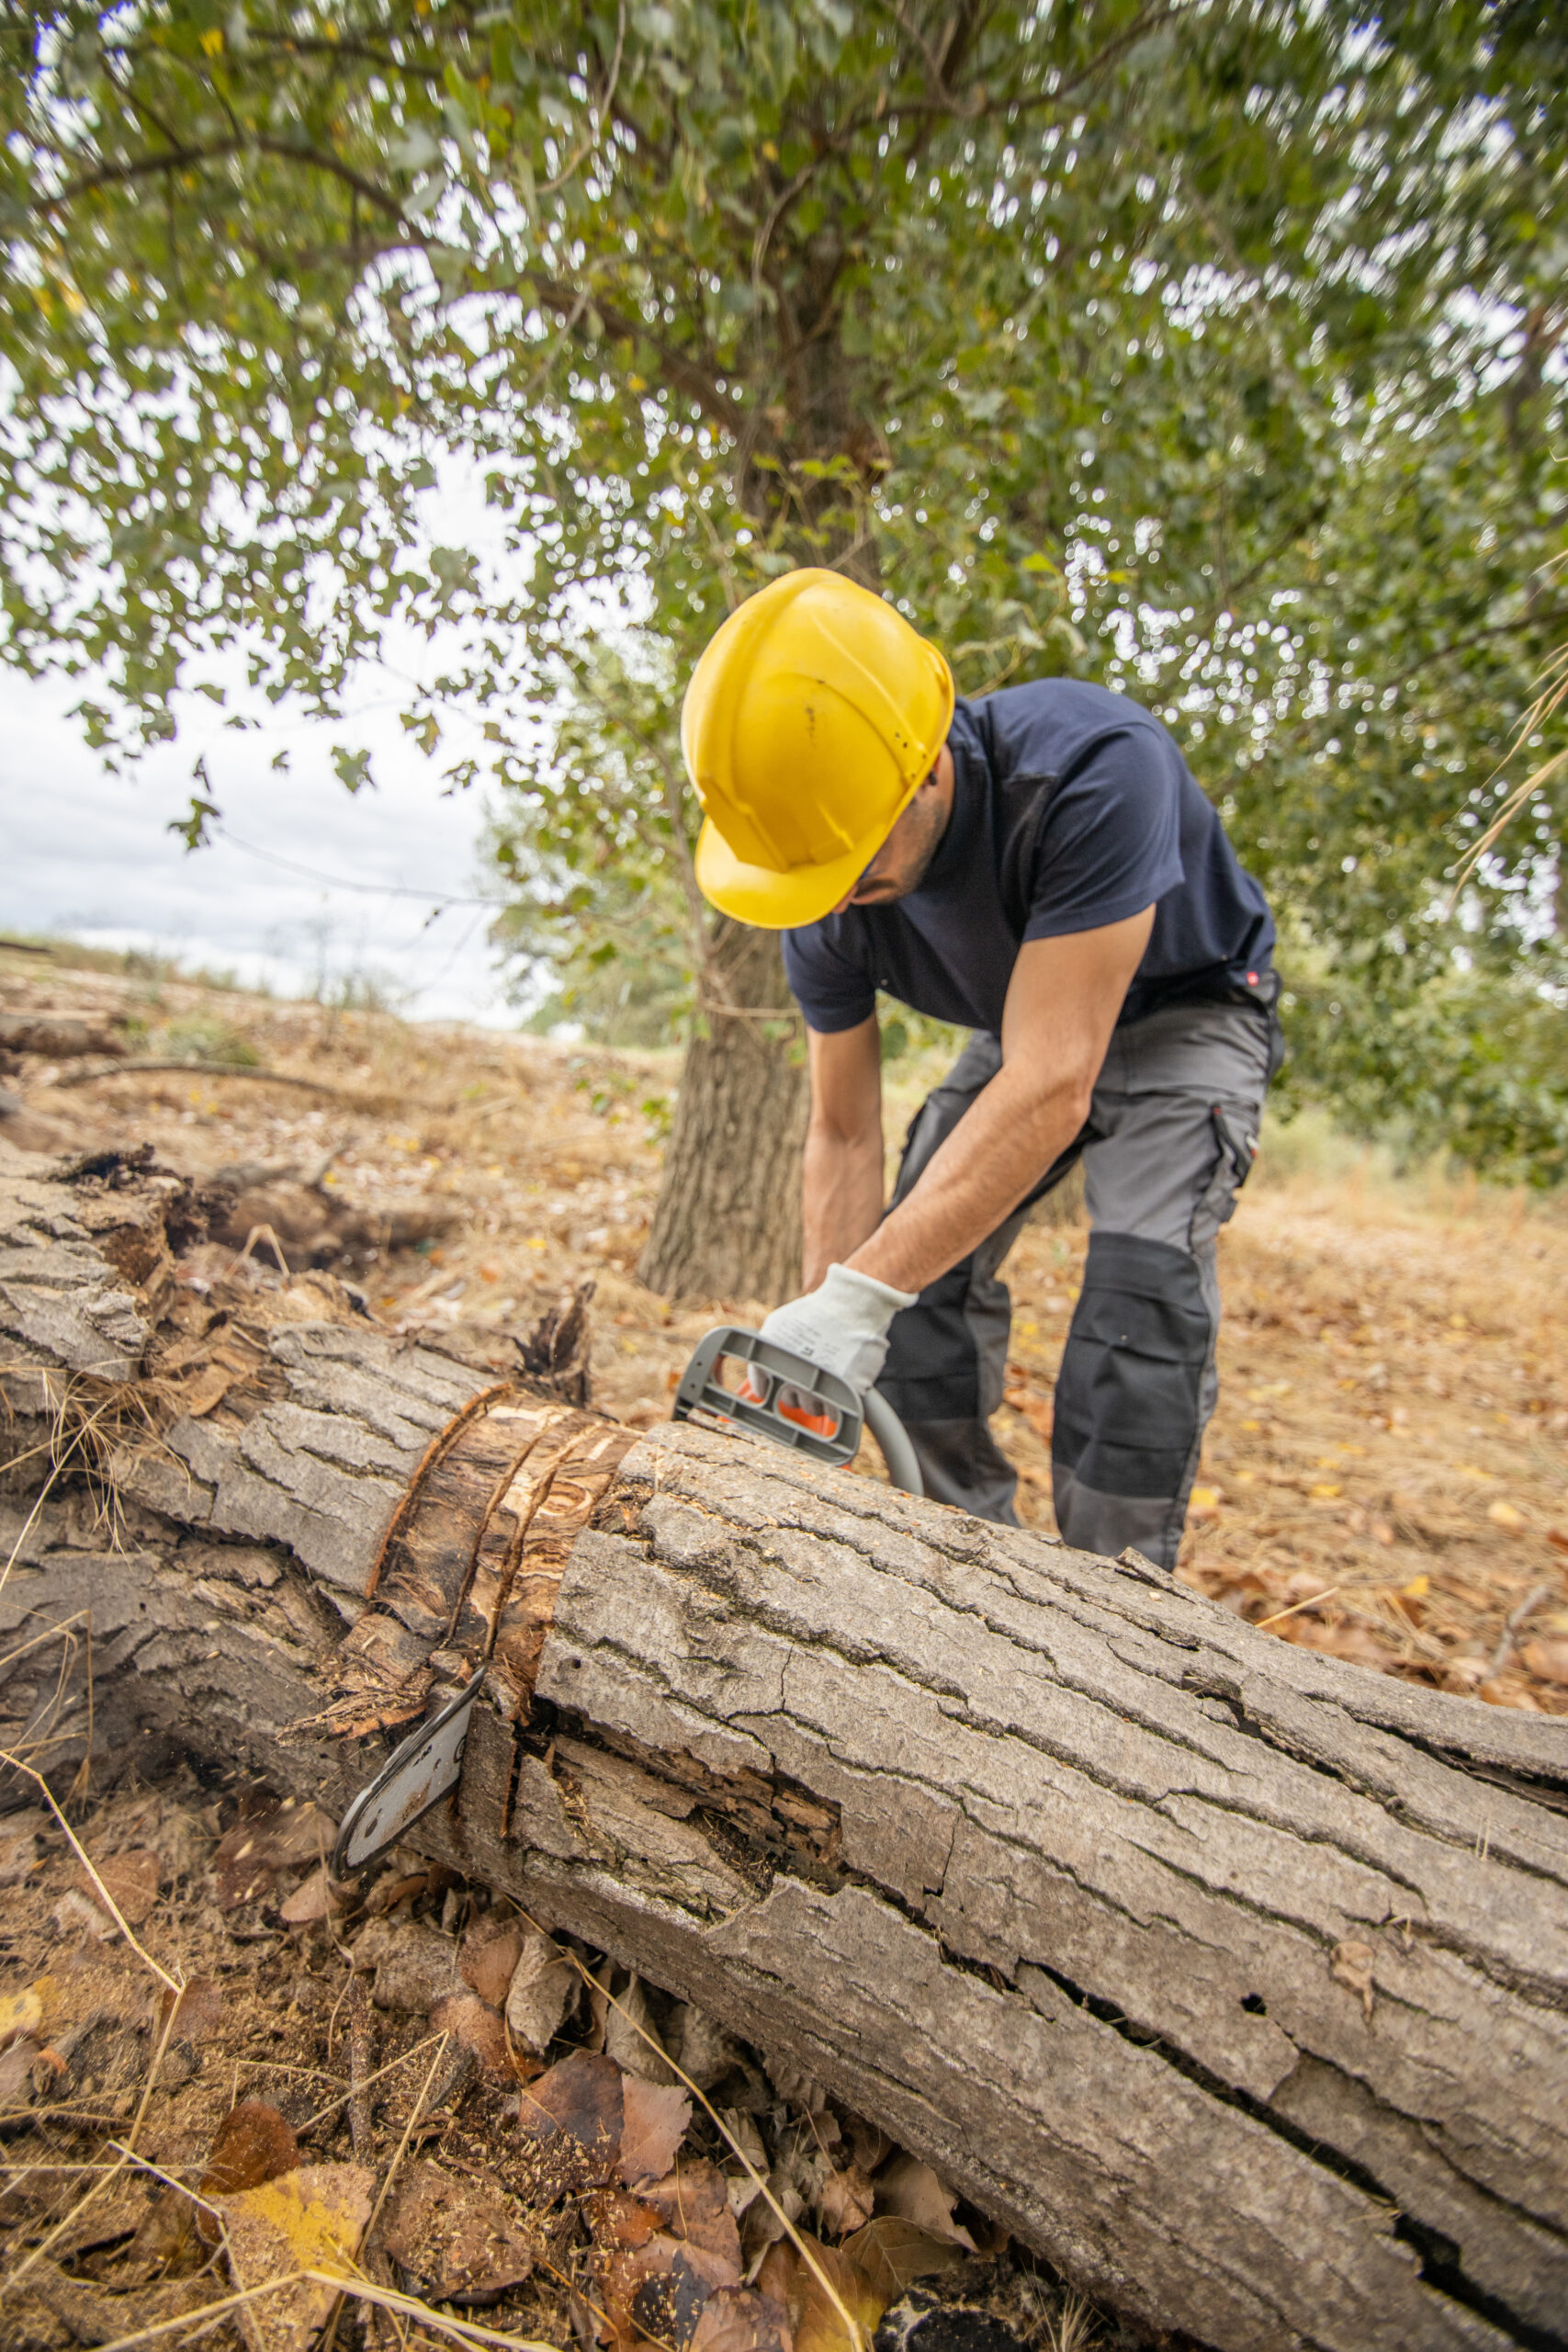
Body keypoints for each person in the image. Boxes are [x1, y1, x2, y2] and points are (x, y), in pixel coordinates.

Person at [681, 568, 1280, 1566]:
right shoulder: (818, 883)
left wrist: (862, 1288)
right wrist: (827, 1324)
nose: (838, 906)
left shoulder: (1091, 766)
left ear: (926, 769)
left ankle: (1113, 1601)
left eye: (856, 870)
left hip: (1188, 1010)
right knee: (909, 1286)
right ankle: (970, 1566)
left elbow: (1054, 1080)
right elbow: (842, 1131)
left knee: (1137, 1309)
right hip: (1030, 1024)